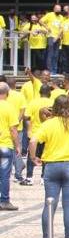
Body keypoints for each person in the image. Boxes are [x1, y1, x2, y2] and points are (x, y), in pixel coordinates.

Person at [29, 95, 69, 238]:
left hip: (52, 165)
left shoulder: (49, 124)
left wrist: (33, 157)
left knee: (50, 203)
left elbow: (32, 140)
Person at [0, 82, 20, 211]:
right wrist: (18, 145)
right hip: (5, 145)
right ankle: (4, 200)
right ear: (7, 93)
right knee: (4, 176)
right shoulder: (9, 107)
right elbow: (13, 129)